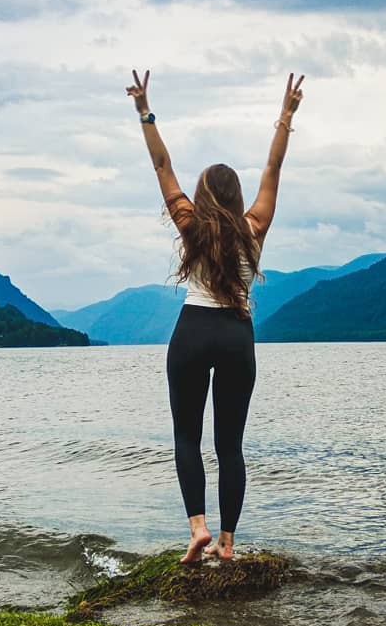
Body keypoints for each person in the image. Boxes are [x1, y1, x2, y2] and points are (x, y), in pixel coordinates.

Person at [126, 69, 304, 563]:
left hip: (192, 331)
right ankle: (227, 542)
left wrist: (145, 111)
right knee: (230, 445)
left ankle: (198, 529)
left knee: (186, 435)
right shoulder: (256, 226)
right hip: (235, 335)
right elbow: (274, 172)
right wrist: (285, 117)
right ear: (238, 197)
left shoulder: (191, 226)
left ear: (203, 196)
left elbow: (162, 166)